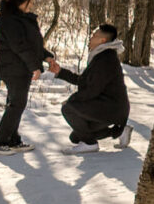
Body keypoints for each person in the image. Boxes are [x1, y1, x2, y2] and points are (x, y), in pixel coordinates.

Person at [50, 23, 131, 153]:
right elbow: (85, 81)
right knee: (75, 137)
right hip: (109, 107)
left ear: (102, 40)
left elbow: (92, 90)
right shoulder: (101, 55)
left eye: (94, 35)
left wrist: (72, 101)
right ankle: (119, 132)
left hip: (112, 108)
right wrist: (60, 72)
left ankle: (90, 144)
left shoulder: (105, 59)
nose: (90, 38)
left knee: (68, 108)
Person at [0, 0, 46, 153]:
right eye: (31, 1)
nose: (32, 5)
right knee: (17, 104)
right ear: (22, 1)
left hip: (20, 68)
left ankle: (13, 140)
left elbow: (32, 44)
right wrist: (34, 66)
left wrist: (47, 56)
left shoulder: (22, 18)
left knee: (15, 103)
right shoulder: (10, 20)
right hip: (13, 68)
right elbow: (19, 46)